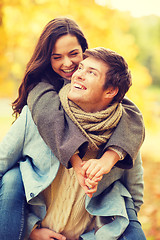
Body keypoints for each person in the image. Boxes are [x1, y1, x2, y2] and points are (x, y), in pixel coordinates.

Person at [0, 17, 144, 239]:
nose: (68, 65)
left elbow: (131, 114)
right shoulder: (41, 97)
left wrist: (109, 158)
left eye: (74, 55)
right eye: (57, 57)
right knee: (12, 178)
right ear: (47, 59)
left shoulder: (116, 113)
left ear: (85, 52)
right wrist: (30, 230)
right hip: (41, 219)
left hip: (86, 228)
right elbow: (48, 118)